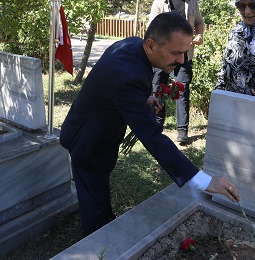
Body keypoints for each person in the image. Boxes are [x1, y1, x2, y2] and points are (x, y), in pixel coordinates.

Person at [60, 12, 240, 236]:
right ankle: (97, 249)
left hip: (98, 135)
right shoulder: (128, 74)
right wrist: (201, 180)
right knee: (93, 202)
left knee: (97, 192)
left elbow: (117, 90)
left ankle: (104, 221)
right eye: (176, 53)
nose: (182, 61)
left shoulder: (134, 47)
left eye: (184, 52)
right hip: (87, 140)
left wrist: (142, 100)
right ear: (151, 45)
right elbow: (152, 137)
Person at [149, 0, 204, 145]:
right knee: (158, 88)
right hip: (161, 57)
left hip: (184, 55)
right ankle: (156, 127)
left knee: (182, 90)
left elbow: (199, 22)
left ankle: (182, 132)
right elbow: (152, 29)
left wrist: (199, 35)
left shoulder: (192, 1)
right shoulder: (159, 3)